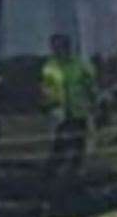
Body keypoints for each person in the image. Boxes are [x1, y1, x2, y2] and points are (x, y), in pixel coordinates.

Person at [41, 33, 98, 175]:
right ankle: (52, 169)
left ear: (67, 47)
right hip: (60, 112)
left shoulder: (80, 65)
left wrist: (93, 104)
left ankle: (76, 169)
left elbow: (91, 86)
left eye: (60, 46)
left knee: (79, 142)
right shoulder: (50, 66)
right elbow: (47, 88)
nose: (57, 49)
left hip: (79, 110)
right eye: (54, 47)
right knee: (60, 142)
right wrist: (48, 105)